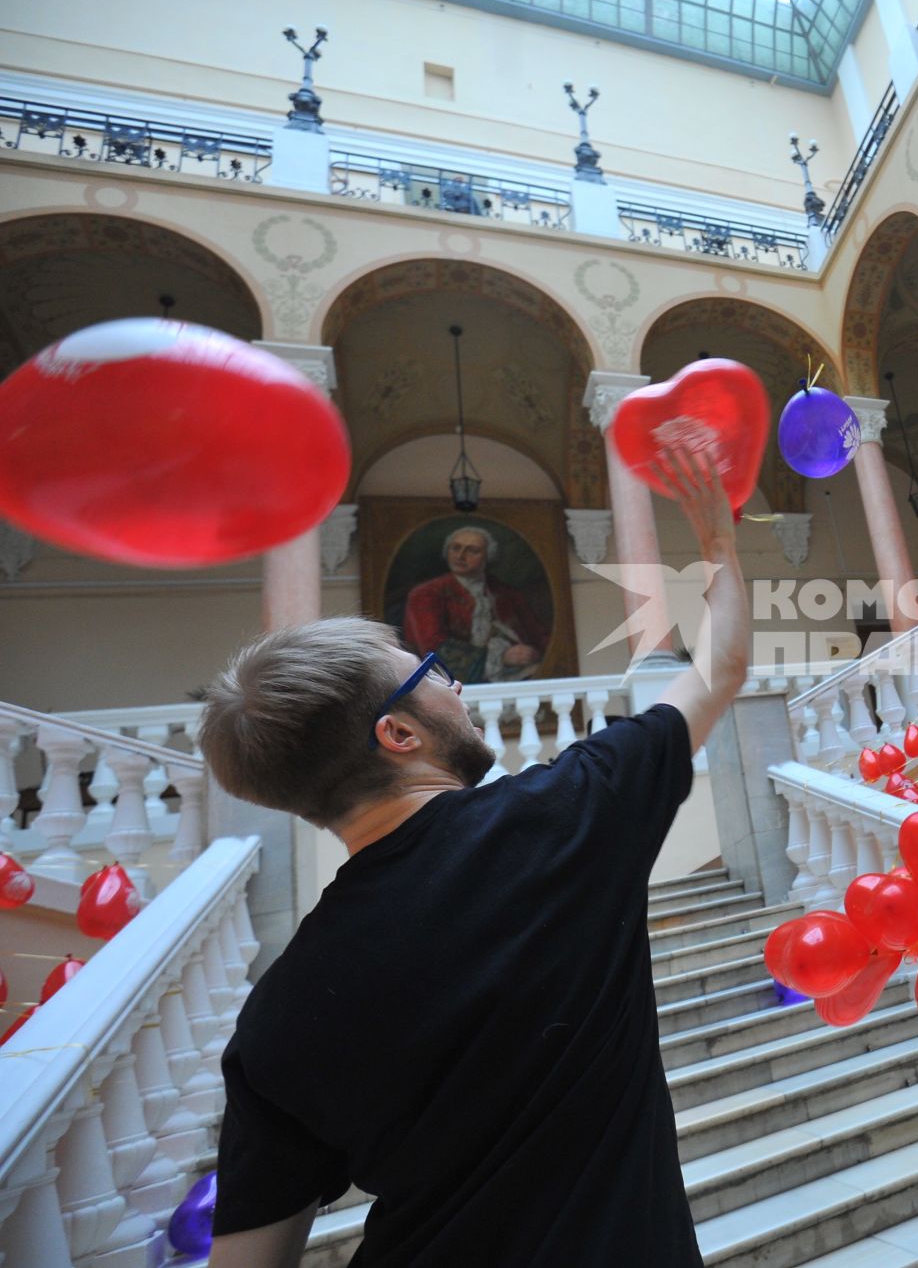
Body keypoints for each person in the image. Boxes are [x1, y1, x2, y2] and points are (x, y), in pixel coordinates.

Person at [199, 449, 745, 1267]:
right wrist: (720, 545)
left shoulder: (277, 1012)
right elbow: (721, 668)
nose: (456, 686)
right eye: (431, 672)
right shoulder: (566, 817)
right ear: (399, 733)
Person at [401, 524, 551, 683]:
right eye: (455, 548)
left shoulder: (505, 593)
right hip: (450, 683)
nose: (460, 556)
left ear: (488, 557)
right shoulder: (426, 593)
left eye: (472, 550)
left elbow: (538, 635)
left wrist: (535, 653)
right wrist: (501, 657)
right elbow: (434, 648)